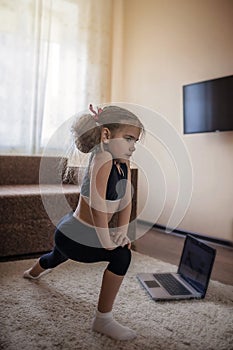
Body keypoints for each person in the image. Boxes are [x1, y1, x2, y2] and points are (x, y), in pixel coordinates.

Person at [23, 105, 144, 341]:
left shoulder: (123, 163)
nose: (133, 146)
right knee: (121, 256)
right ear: (106, 136)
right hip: (74, 233)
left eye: (135, 141)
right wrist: (106, 239)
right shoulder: (102, 158)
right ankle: (103, 320)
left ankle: (33, 271)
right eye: (128, 138)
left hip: (71, 231)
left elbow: (126, 200)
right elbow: (98, 204)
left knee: (55, 257)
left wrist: (120, 232)